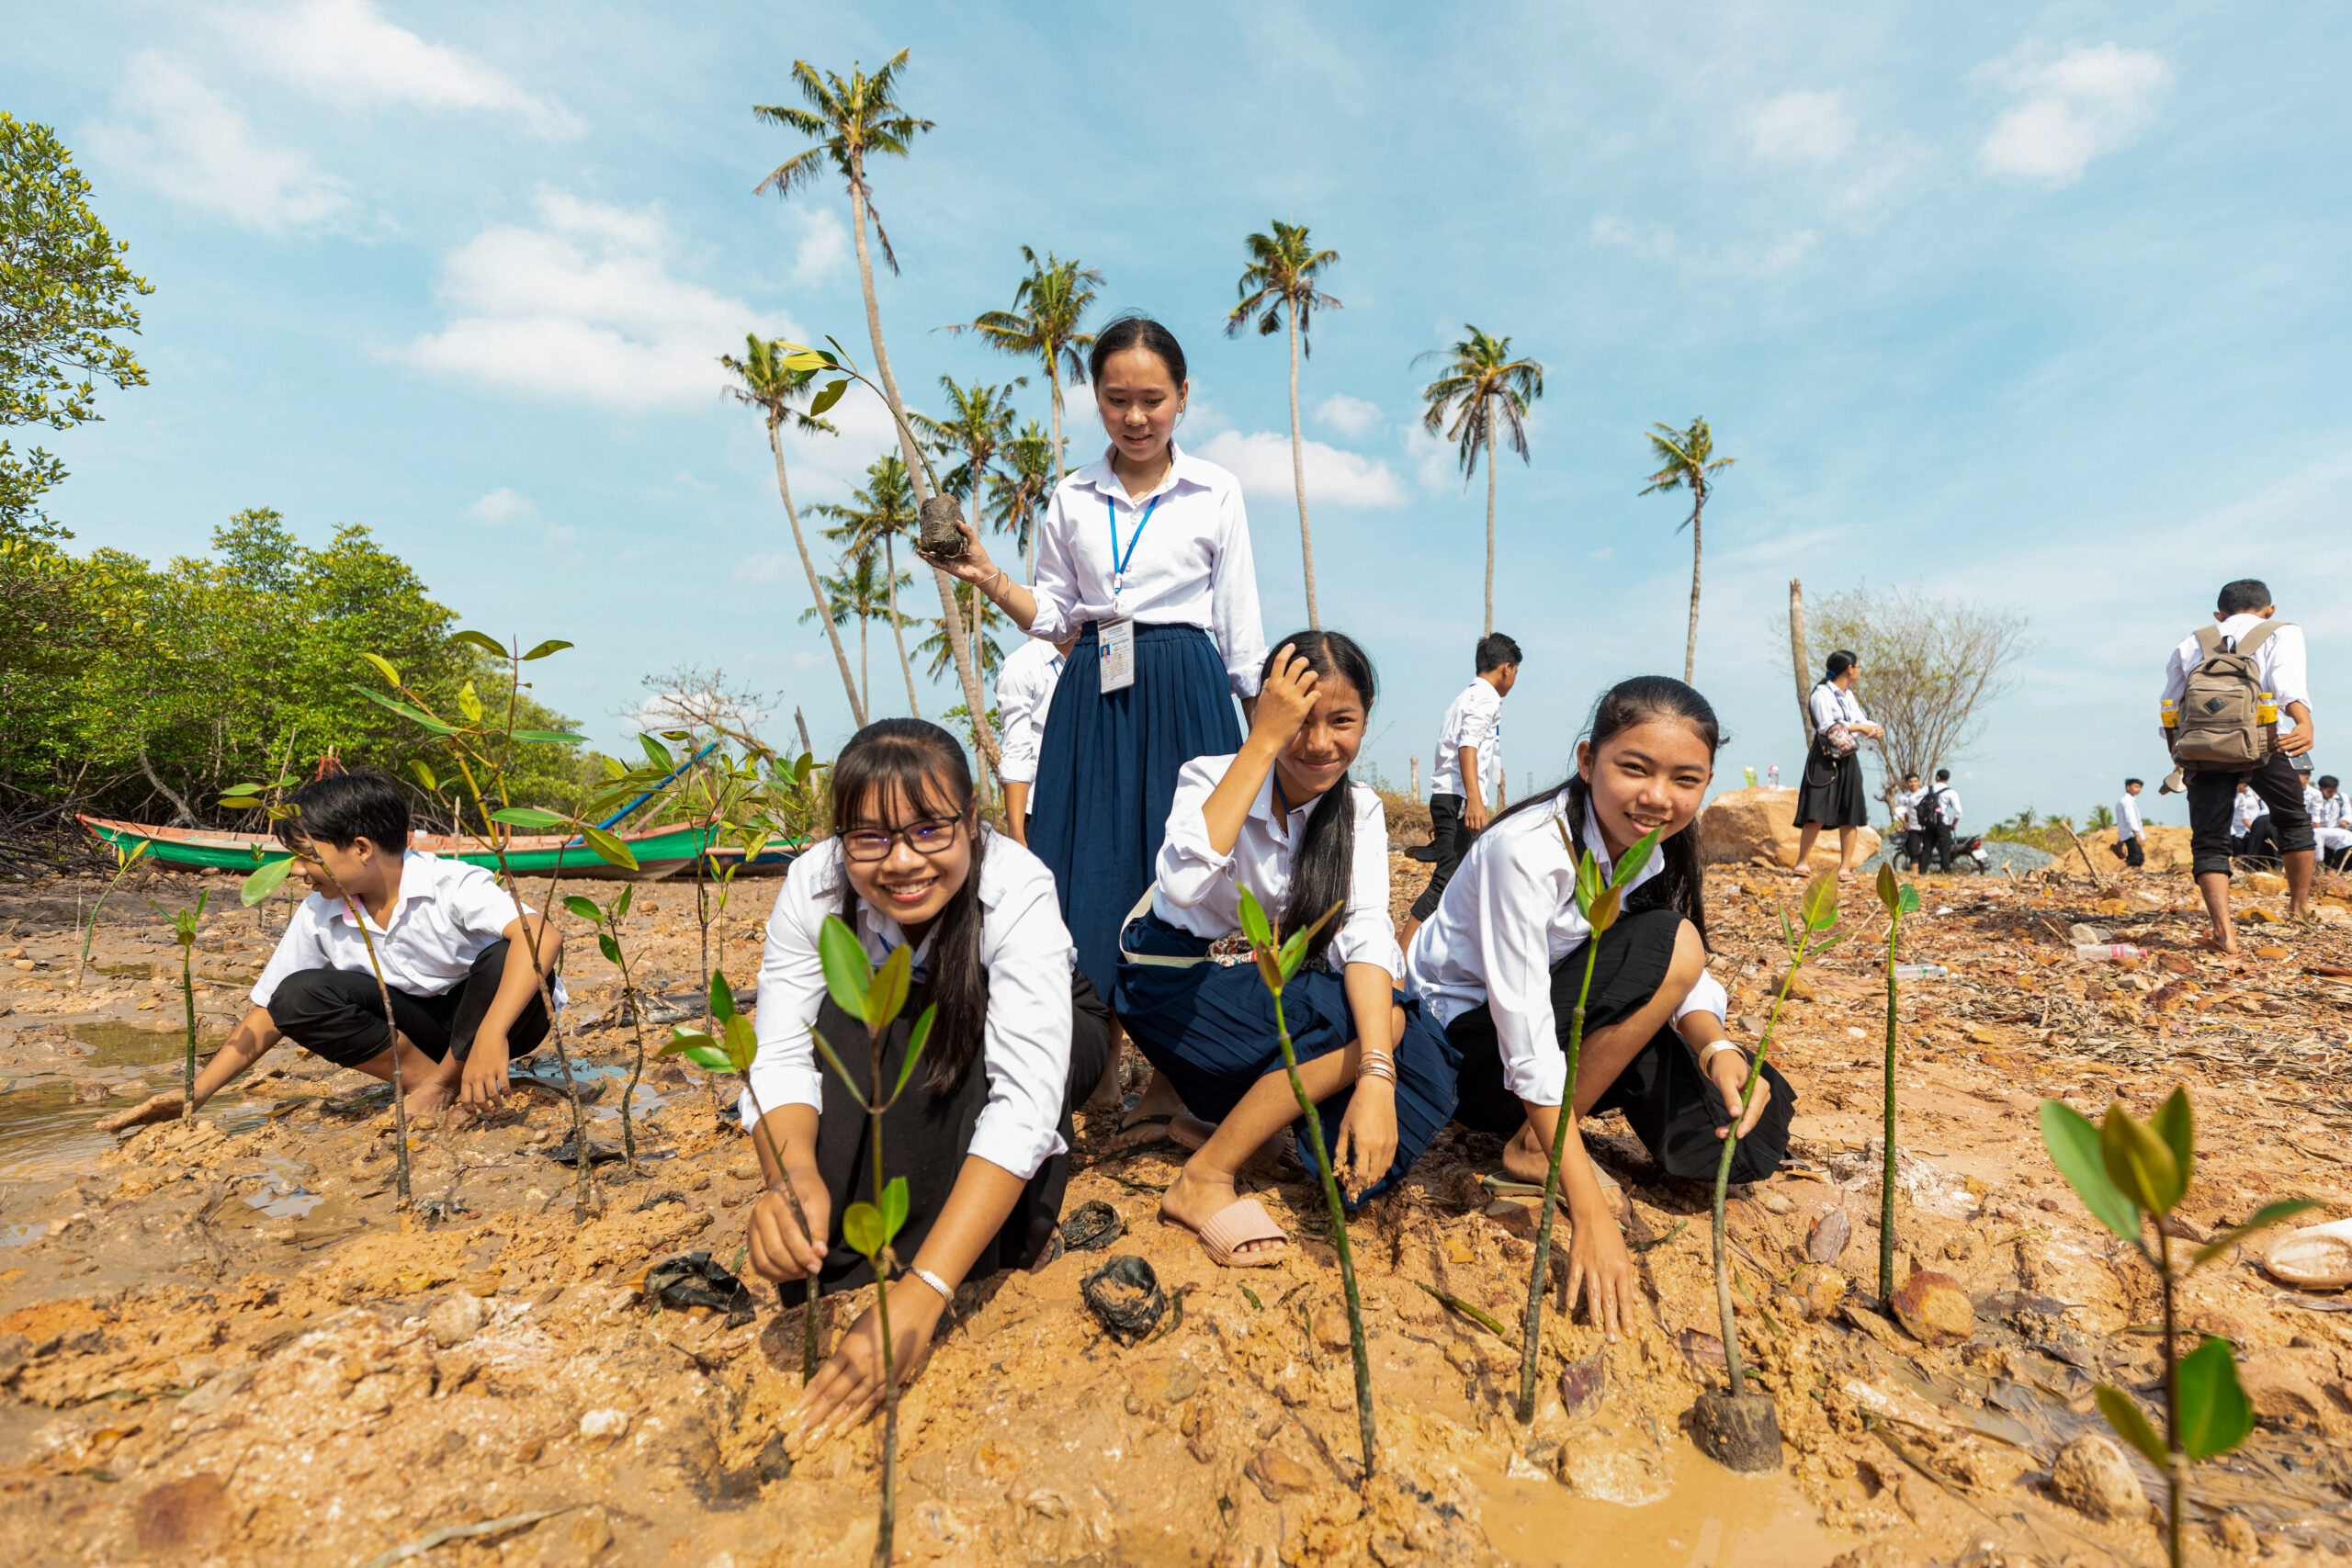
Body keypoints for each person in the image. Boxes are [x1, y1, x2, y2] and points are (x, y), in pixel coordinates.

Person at [741, 719, 1114, 1452]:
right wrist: (790, 1178)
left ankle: (971, 1242)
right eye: (870, 838)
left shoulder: (1015, 886)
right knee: (847, 1025)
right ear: (840, 839)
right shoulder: (814, 884)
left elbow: (1025, 1099)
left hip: (1049, 1022)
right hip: (905, 1012)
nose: (902, 861)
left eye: (928, 830)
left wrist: (923, 1294)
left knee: (956, 1041)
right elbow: (781, 1050)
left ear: (972, 821)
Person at [1405, 676, 1796, 1339]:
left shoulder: (1653, 849)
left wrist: (1717, 1047)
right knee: (1675, 940)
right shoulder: (1527, 850)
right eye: (1635, 769)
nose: (1658, 797)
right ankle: (1536, 1148)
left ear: (1705, 784)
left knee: (1742, 1143)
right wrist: (1588, 1209)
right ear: (1588, 761)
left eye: (1685, 779)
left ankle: (1558, 1130)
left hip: (1572, 1027)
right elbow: (1526, 1028)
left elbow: (1680, 981)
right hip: (1467, 1054)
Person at [934, 314, 1266, 1007]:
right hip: (1094, 691)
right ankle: (1098, 1043)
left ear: (1183, 396)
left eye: (1152, 399)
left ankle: (1181, 1054)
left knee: (1191, 871)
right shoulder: (1071, 496)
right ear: (1097, 399)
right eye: (1117, 400)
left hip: (1186, 688)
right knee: (1087, 873)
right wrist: (987, 574)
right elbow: (1056, 617)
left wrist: (1266, 750)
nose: (1135, 417)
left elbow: (1240, 633)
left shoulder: (1216, 491)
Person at [1113, 633, 1459, 1268]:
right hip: (1171, 985)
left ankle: (1247, 1128)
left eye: (1342, 721)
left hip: (1250, 980)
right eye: (1300, 719)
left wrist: (1376, 1075)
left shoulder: (1359, 808)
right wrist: (1263, 741)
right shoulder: (1211, 776)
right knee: (1361, 1024)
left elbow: (1365, 931)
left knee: (1403, 1034)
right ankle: (1206, 1175)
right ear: (1267, 710)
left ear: (1367, 717)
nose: (1320, 742)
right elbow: (1182, 885)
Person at [105, 771, 562, 1130]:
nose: (298, 871)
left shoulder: (450, 883)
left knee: (505, 954)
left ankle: (446, 1081)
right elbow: (268, 1012)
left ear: (361, 848)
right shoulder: (319, 911)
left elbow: (544, 936)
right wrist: (198, 1092)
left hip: (504, 1023)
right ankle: (432, 1084)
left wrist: (490, 1035)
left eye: (307, 855)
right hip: (420, 1031)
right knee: (295, 995)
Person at [2162, 579, 2316, 952]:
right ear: (2270, 609)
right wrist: (2304, 722)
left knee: (2209, 838)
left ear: (2219, 615)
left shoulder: (2193, 641)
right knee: (2293, 820)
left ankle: (2224, 933)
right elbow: (2286, 684)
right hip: (2265, 742)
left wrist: (2179, 757)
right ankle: (2299, 909)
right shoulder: (2282, 631)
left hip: (2203, 749)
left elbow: (2170, 704)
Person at [1401, 634, 1520, 950]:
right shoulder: (1486, 698)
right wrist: (1474, 801)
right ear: (1507, 668)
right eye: (1515, 672)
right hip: (1460, 799)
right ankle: (1400, 958)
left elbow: (1447, 751)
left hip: (1449, 797)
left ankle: (1449, 949)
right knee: (1446, 880)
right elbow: (1467, 747)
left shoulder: (1463, 698)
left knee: (1467, 875)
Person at [1793, 651, 1883, 880]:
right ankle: (1802, 861)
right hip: (1824, 755)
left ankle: (1845, 867)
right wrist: (1859, 728)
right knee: (1816, 808)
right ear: (1849, 669)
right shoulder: (1822, 693)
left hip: (1847, 755)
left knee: (1850, 810)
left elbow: (1860, 720)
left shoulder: (1848, 695)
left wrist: (1873, 728)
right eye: (1858, 667)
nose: (1859, 671)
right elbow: (1825, 726)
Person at [993, 632, 1074, 845]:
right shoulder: (1022, 665)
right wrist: (1017, 834)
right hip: (1039, 813)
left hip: (1095, 810)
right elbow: (1016, 750)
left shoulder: (1108, 654)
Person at [1917, 769, 1961, 874]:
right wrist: (1954, 824)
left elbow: (1913, 800)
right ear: (1947, 778)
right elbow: (1958, 811)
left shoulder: (1928, 789)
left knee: (1927, 848)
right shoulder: (1951, 792)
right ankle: (1945, 871)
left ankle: (1922, 871)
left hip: (1929, 823)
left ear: (1937, 777)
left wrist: (1922, 812)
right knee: (1945, 849)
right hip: (1943, 823)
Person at [2230, 779, 2279, 868]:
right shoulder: (2226, 795)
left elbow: (2243, 816)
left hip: (2243, 832)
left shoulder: (2242, 797)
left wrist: (2254, 831)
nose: (2246, 789)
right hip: (2231, 831)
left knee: (2243, 858)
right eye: (2244, 786)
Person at [2309, 774, 2350, 871]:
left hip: (2335, 834)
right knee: (2320, 858)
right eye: (2330, 791)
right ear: (2321, 789)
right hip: (2318, 834)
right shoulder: (2313, 799)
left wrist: (2344, 821)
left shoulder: (2341, 798)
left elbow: (2348, 814)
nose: (2332, 794)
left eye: (2334, 791)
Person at [1894, 772, 1926, 871]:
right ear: (1907, 783)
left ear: (1919, 782)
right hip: (1913, 827)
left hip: (1927, 826)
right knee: (1913, 851)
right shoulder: (1903, 797)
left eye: (1915, 781)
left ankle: (1926, 872)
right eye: (1911, 781)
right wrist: (1904, 823)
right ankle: (1914, 874)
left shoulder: (1925, 794)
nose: (1913, 783)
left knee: (1928, 850)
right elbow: (1899, 811)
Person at [2113, 778, 2148, 868]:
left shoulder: (2128, 800)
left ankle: (2134, 873)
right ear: (2128, 787)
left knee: (2137, 859)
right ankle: (2111, 873)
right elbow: (2130, 818)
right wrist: (2137, 834)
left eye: (2140, 787)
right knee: (2135, 858)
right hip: (2131, 834)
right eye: (2136, 786)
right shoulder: (2127, 801)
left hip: (2129, 833)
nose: (2139, 789)